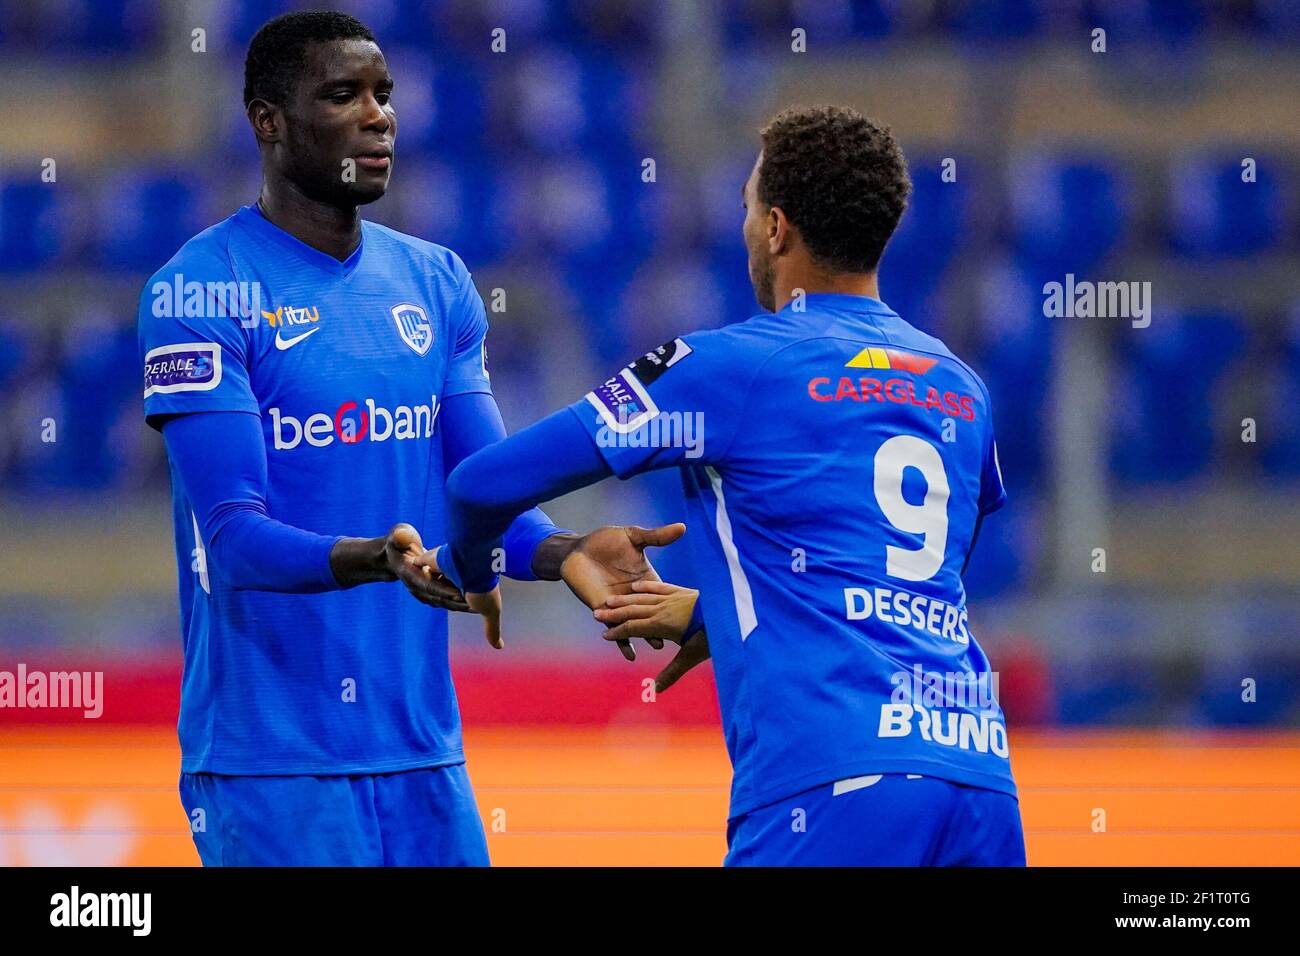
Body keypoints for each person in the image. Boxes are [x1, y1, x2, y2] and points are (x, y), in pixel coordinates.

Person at [137, 10, 679, 866]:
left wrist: (568, 549)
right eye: (343, 95)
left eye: (384, 94)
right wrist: (377, 558)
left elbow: (483, 491)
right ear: (267, 121)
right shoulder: (199, 292)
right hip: (273, 766)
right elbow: (235, 541)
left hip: (425, 755)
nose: (378, 115)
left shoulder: (435, 281)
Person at [429, 105, 1026, 866]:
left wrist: (475, 568)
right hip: (977, 777)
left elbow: (484, 483)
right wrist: (718, 616)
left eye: (747, 208)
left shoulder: (728, 367)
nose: (745, 228)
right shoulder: (960, 385)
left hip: (830, 781)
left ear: (776, 228)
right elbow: (896, 585)